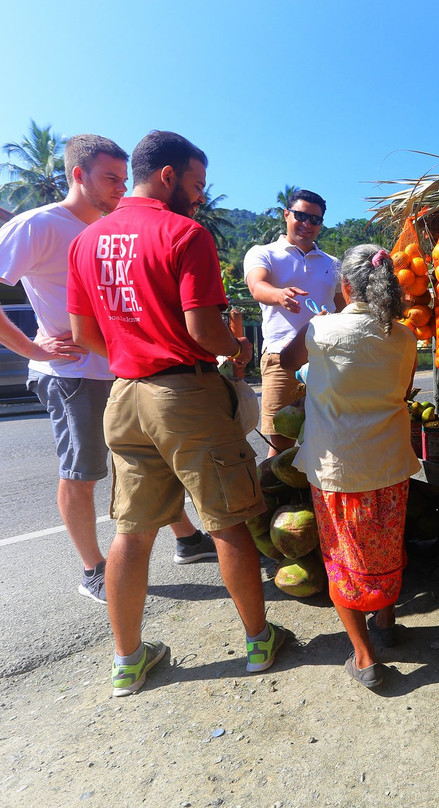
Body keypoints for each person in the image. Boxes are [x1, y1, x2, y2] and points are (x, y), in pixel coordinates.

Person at [67, 130, 289, 696]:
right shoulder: (185, 234)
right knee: (226, 520)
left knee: (132, 531)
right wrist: (237, 349)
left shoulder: (87, 241)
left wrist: (131, 352)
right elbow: (202, 330)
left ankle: (128, 660)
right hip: (184, 397)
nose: (197, 197)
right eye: (195, 185)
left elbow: (82, 334)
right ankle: (260, 641)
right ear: (167, 176)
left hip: (125, 397)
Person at [0, 134, 213, 606]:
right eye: (110, 179)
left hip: (122, 368)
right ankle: (92, 568)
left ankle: (185, 537)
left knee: (145, 460)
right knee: (83, 470)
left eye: (123, 178)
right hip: (73, 373)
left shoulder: (113, 224)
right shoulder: (38, 225)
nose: (120, 188)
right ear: (78, 175)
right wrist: (31, 349)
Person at [280, 244, 419, 691]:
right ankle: (386, 624)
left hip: (339, 470)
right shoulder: (404, 335)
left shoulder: (321, 330)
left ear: (345, 287)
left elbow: (285, 363)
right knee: (385, 547)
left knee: (343, 557)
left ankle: (364, 656)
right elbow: (404, 387)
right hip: (390, 465)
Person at [244, 190, 342, 456]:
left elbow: (345, 307)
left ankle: (313, 498)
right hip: (281, 358)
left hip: (327, 361)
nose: (307, 224)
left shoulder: (333, 264)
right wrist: (279, 295)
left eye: (315, 220)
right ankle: (272, 497)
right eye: (301, 216)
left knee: (327, 441)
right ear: (286, 215)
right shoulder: (263, 253)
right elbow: (257, 285)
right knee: (281, 445)